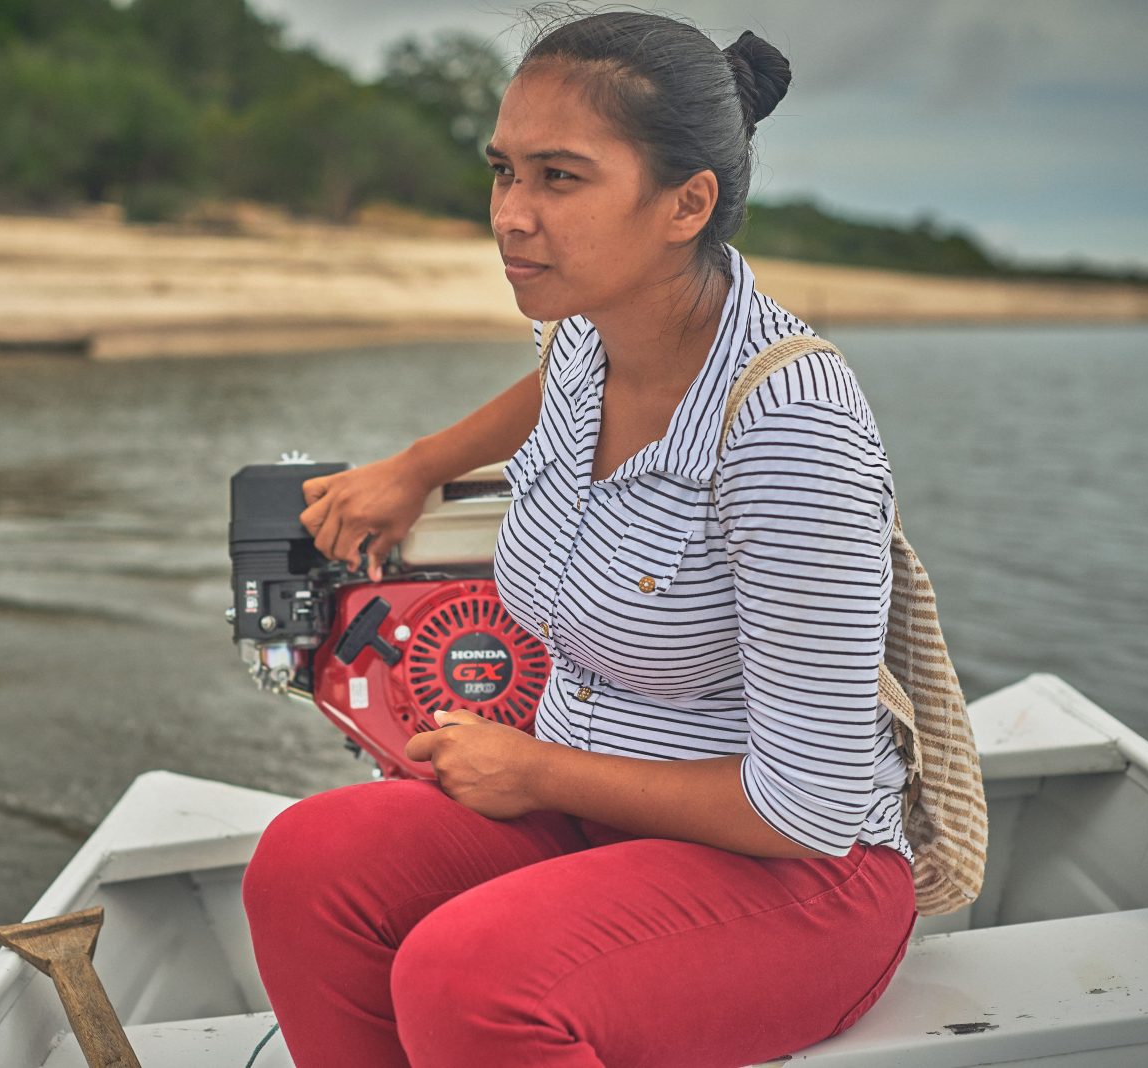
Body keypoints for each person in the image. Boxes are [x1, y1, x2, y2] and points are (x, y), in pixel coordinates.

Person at [242, 11, 916, 1067]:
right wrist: (417, 468)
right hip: (594, 799)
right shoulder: (591, 346)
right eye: (502, 171)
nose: (510, 216)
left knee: (467, 980)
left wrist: (539, 774)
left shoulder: (790, 432)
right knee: (302, 864)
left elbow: (807, 808)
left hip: (792, 877)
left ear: (685, 204)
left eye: (559, 179)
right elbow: (543, 388)